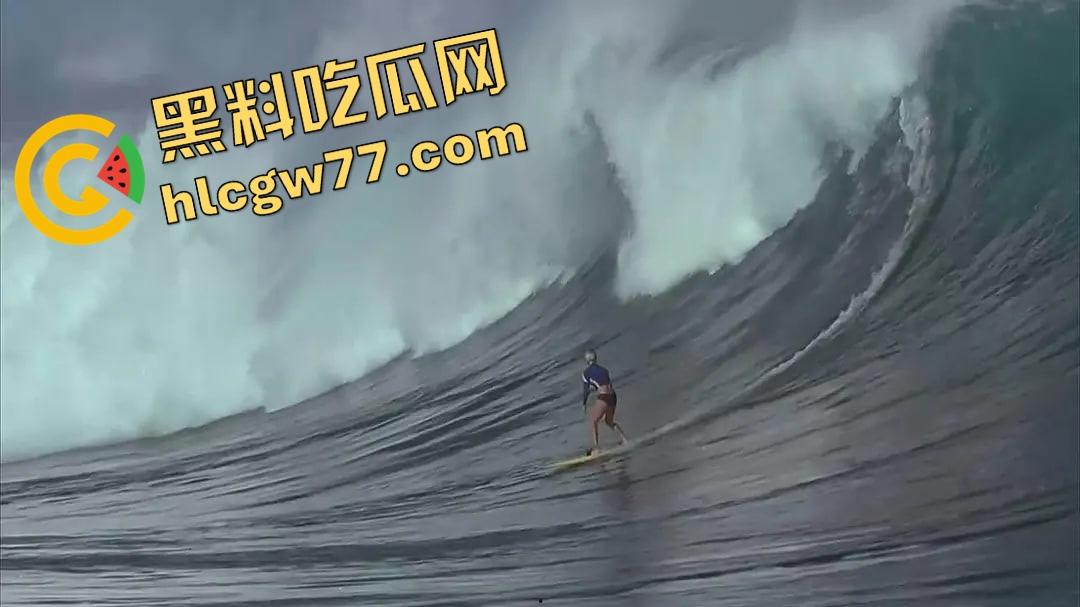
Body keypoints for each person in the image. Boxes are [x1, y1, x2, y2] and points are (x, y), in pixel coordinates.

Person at [580, 349, 629, 455]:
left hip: (604, 396)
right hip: (613, 396)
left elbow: (586, 390)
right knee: (609, 421)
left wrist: (584, 403)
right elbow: (604, 383)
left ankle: (597, 448)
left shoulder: (586, 373)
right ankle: (625, 440)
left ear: (587, 360)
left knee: (593, 421)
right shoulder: (604, 370)